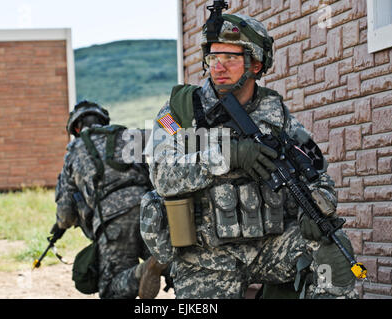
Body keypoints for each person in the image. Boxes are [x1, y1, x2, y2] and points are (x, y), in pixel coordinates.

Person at [140, 9, 359, 299]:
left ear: (255, 64)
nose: (218, 66)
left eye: (230, 58)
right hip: (206, 259)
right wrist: (228, 155)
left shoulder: (276, 114)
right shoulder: (179, 113)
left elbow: (316, 170)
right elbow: (161, 175)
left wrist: (321, 204)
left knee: (333, 247)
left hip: (268, 247)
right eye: (213, 57)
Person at [53, 100, 168, 299]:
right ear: (103, 121)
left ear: (77, 128)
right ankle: (170, 268)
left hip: (113, 221)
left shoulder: (74, 151)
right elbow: (163, 145)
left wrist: (60, 226)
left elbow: (65, 214)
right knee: (174, 265)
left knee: (111, 288)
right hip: (151, 210)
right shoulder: (128, 135)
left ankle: (140, 272)